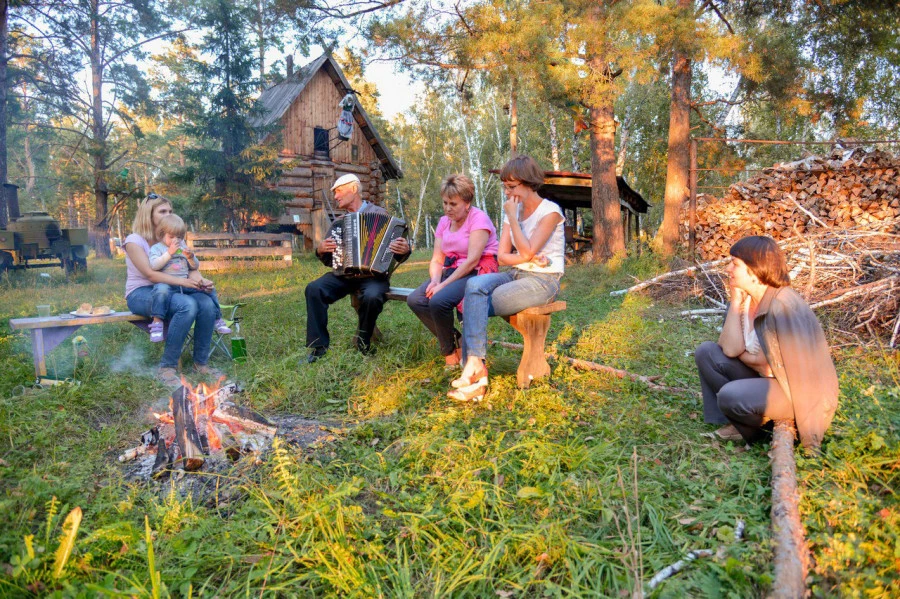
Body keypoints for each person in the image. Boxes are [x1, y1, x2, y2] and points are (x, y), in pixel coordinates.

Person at [694, 235, 839, 449]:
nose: (728, 269)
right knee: (706, 352)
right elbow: (730, 348)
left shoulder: (782, 306)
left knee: (730, 395)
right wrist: (735, 302)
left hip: (793, 392)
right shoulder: (746, 298)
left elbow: (774, 367)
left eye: (735, 264)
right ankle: (740, 424)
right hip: (767, 380)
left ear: (754, 270)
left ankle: (758, 428)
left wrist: (811, 438)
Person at [448, 155, 565, 402]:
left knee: (474, 302)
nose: (507, 192)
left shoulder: (550, 211)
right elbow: (502, 257)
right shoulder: (512, 209)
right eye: (505, 187)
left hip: (544, 281)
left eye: (512, 187)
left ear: (529, 183)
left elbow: (525, 251)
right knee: (474, 285)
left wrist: (514, 220)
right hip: (516, 274)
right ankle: (474, 364)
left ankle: (475, 374)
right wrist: (527, 258)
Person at [304, 174, 411, 363]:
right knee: (314, 289)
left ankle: (363, 341)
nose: (335, 197)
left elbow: (397, 253)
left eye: (338, 191)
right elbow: (329, 260)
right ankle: (318, 348)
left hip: (374, 277)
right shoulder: (340, 222)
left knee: (372, 296)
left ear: (353, 189)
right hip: (344, 275)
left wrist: (404, 250)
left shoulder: (380, 214)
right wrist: (320, 250)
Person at [124, 194, 219, 386]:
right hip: (142, 293)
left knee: (207, 303)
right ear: (148, 215)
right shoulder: (134, 240)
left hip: (173, 290)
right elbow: (151, 275)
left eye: (170, 211)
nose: (168, 214)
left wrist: (202, 282)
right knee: (187, 305)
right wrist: (185, 284)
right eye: (162, 211)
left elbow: (191, 269)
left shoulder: (175, 239)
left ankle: (201, 363)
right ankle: (167, 367)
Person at [407, 174, 499, 368]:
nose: (448, 208)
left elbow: (473, 260)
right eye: (445, 203)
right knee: (416, 299)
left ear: (467, 203)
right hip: (453, 269)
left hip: (478, 270)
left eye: (453, 204)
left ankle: (449, 353)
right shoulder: (444, 222)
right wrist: (434, 280)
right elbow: (437, 259)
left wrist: (444, 285)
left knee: (440, 300)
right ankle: (455, 340)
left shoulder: (478, 219)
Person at [147, 213, 232, 343]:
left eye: (179, 237)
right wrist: (169, 253)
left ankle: (217, 318)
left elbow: (194, 266)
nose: (176, 240)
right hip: (167, 284)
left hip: (186, 284)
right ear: (161, 234)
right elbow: (154, 266)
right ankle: (157, 323)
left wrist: (190, 257)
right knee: (160, 291)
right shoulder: (157, 249)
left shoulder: (183, 248)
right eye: (171, 237)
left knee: (209, 289)